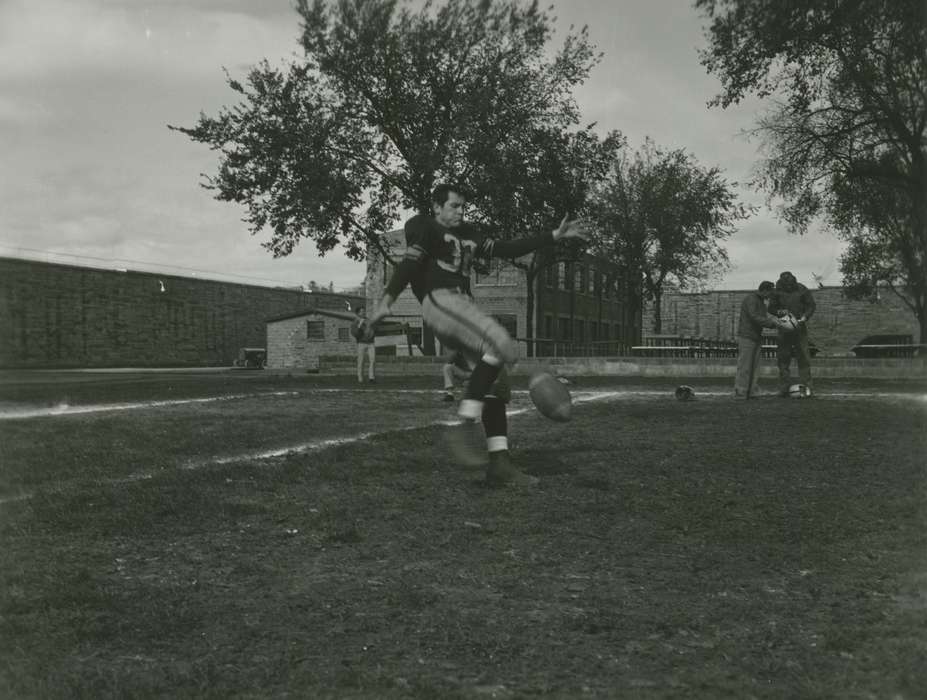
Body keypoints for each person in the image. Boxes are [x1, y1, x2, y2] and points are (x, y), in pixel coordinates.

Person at [367, 183, 588, 486]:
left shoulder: (469, 233)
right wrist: (386, 302)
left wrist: (552, 236)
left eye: (462, 206)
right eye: (454, 205)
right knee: (503, 344)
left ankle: (499, 464)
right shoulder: (423, 226)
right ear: (436, 206)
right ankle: (468, 413)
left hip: (462, 305)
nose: (460, 211)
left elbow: (507, 248)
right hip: (441, 301)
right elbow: (409, 264)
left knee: (497, 386)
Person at [769, 271, 817, 396]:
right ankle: (784, 388)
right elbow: (771, 308)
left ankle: (808, 387)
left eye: (791, 284)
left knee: (804, 358)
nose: (789, 287)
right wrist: (779, 312)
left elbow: (811, 305)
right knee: (783, 359)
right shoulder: (776, 291)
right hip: (784, 329)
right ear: (782, 283)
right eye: (786, 285)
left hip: (800, 328)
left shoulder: (802, 289)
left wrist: (806, 316)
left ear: (794, 281)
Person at [733, 281, 782, 398]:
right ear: (765, 290)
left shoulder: (760, 301)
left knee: (754, 366)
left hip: (756, 336)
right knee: (745, 366)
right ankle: (741, 391)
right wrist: (773, 323)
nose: (770, 296)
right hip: (747, 336)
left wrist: (776, 320)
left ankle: (751, 391)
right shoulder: (751, 299)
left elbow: (763, 317)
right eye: (770, 292)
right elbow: (754, 316)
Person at [350, 306, 376, 384]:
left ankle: (371, 377)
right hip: (361, 343)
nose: (363, 313)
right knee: (361, 361)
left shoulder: (368, 320)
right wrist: (359, 326)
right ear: (358, 313)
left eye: (364, 311)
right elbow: (355, 334)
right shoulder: (355, 322)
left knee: (373, 360)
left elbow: (373, 330)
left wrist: (373, 332)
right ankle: (360, 378)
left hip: (371, 343)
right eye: (361, 311)